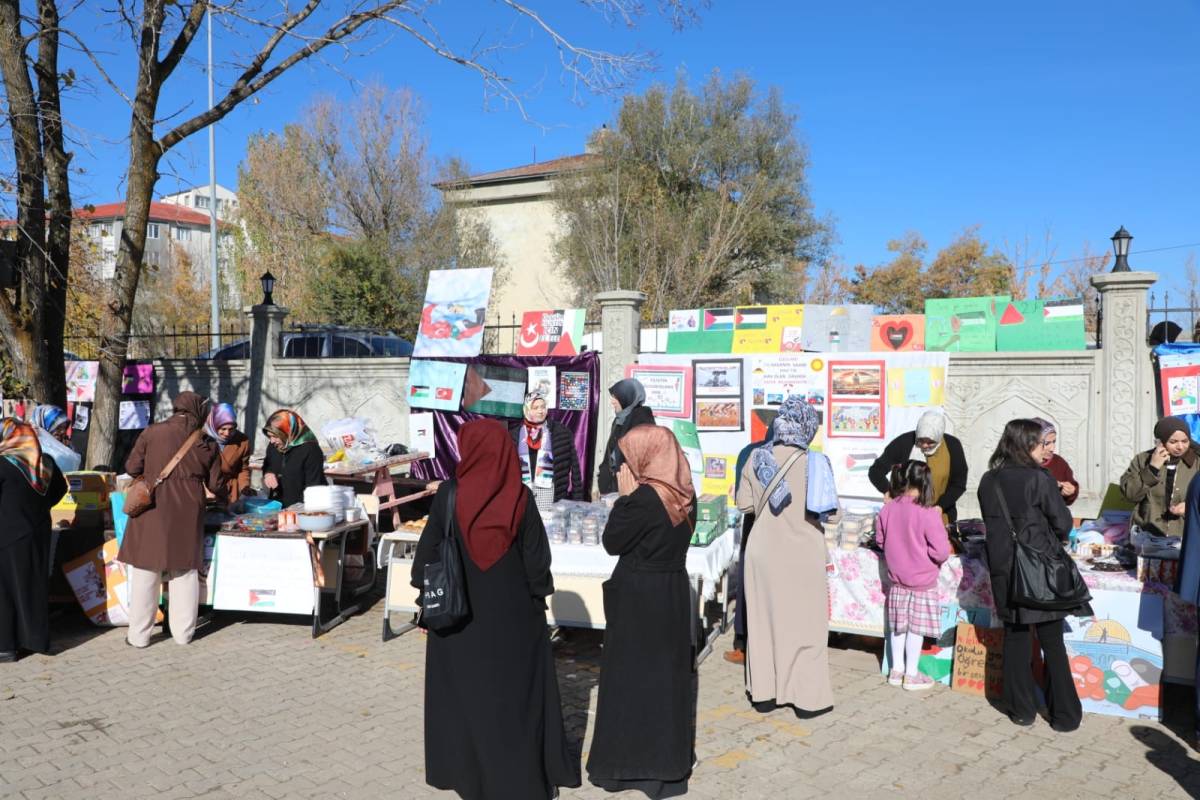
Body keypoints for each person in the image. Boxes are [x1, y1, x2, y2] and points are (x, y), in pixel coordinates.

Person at [411, 420, 578, 800]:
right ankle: (519, 778)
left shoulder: (449, 494)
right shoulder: (520, 496)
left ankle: (468, 776)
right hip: (513, 621)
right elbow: (537, 564)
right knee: (513, 699)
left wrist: (426, 605)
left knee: (465, 698)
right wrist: (538, 600)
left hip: (457, 621)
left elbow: (425, 560)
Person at [587, 425, 696, 798]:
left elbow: (612, 541)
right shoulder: (684, 493)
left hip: (639, 597)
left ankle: (626, 767)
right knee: (665, 680)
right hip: (671, 592)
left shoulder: (645, 499)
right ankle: (666, 768)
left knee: (629, 679)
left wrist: (624, 499)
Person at [978, 419, 1091, 731]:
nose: (1046, 450)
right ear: (1026, 444)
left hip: (1004, 569)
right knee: (1052, 642)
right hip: (1039, 569)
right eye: (1042, 444)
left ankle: (1021, 710)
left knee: (1015, 638)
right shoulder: (1039, 479)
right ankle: (1065, 716)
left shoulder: (989, 479)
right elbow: (1063, 524)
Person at [735, 396, 837, 718]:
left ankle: (765, 694)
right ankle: (806, 699)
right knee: (807, 627)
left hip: (763, 551)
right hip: (804, 554)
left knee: (763, 624)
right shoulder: (816, 463)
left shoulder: (756, 458)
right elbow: (832, 514)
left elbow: (744, 505)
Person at [119, 392, 227, 648]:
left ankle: (139, 636)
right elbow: (216, 484)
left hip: (152, 508)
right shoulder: (206, 442)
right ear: (199, 411)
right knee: (185, 571)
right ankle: (183, 634)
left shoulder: (152, 432)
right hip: (188, 510)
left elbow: (132, 468)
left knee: (146, 570)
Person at [876, 460, 951, 691]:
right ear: (925, 481)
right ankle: (911, 674)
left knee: (898, 626)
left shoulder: (888, 508)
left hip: (897, 580)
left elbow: (880, 541)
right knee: (915, 628)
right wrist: (927, 556)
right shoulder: (928, 513)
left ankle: (896, 671)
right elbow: (942, 551)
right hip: (922, 581)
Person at [0, 419, 67, 662]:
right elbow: (61, 489)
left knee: (5, 592)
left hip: (7, 536)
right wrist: (39, 508)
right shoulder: (45, 462)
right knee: (33, 587)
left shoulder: (2, 464)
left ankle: (6, 646)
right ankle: (35, 640)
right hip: (38, 533)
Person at [724, 419, 776, 665]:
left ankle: (742, 644)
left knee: (748, 582)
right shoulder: (799, 457)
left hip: (753, 524)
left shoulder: (749, 452)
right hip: (780, 527)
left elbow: (740, 499)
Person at [868, 410, 968, 523]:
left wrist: (941, 505)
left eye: (930, 442)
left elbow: (958, 483)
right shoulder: (904, 443)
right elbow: (876, 471)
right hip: (904, 517)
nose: (924, 445)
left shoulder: (952, 446)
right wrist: (887, 491)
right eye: (921, 441)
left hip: (939, 516)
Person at [1119, 416, 1199, 538]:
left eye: (1185, 441)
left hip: (1185, 536)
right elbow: (1130, 495)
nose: (1180, 447)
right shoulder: (1143, 460)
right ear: (1160, 441)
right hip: (1146, 535)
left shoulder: (1196, 463)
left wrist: (1191, 506)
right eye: (1173, 442)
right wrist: (1152, 468)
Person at [509, 391, 583, 518]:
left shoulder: (561, 433)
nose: (540, 411)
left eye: (543, 407)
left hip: (553, 501)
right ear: (526, 409)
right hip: (523, 499)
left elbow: (575, 469)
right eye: (535, 407)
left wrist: (578, 503)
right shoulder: (515, 435)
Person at [597, 379, 655, 495]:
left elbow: (639, 461)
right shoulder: (619, 420)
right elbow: (611, 453)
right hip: (613, 487)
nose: (612, 401)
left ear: (627, 397)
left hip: (630, 490)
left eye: (616, 398)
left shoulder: (641, 420)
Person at [261, 410, 326, 508]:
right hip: (277, 505)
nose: (272, 441)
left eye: (275, 436)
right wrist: (268, 473)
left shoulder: (310, 450)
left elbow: (314, 486)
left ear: (288, 432)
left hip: (303, 507)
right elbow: (268, 465)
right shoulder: (274, 447)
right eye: (269, 436)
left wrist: (298, 509)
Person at [205, 403, 252, 501]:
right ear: (214, 426)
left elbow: (243, 468)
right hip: (206, 491)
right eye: (223, 429)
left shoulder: (241, 441)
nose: (227, 433)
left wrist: (244, 486)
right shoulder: (202, 439)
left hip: (229, 491)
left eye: (231, 429)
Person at [1030, 417, 1079, 506]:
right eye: (1047, 443)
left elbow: (1070, 489)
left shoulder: (1058, 462)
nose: (1052, 448)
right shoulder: (1016, 464)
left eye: (1054, 442)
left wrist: (1070, 492)